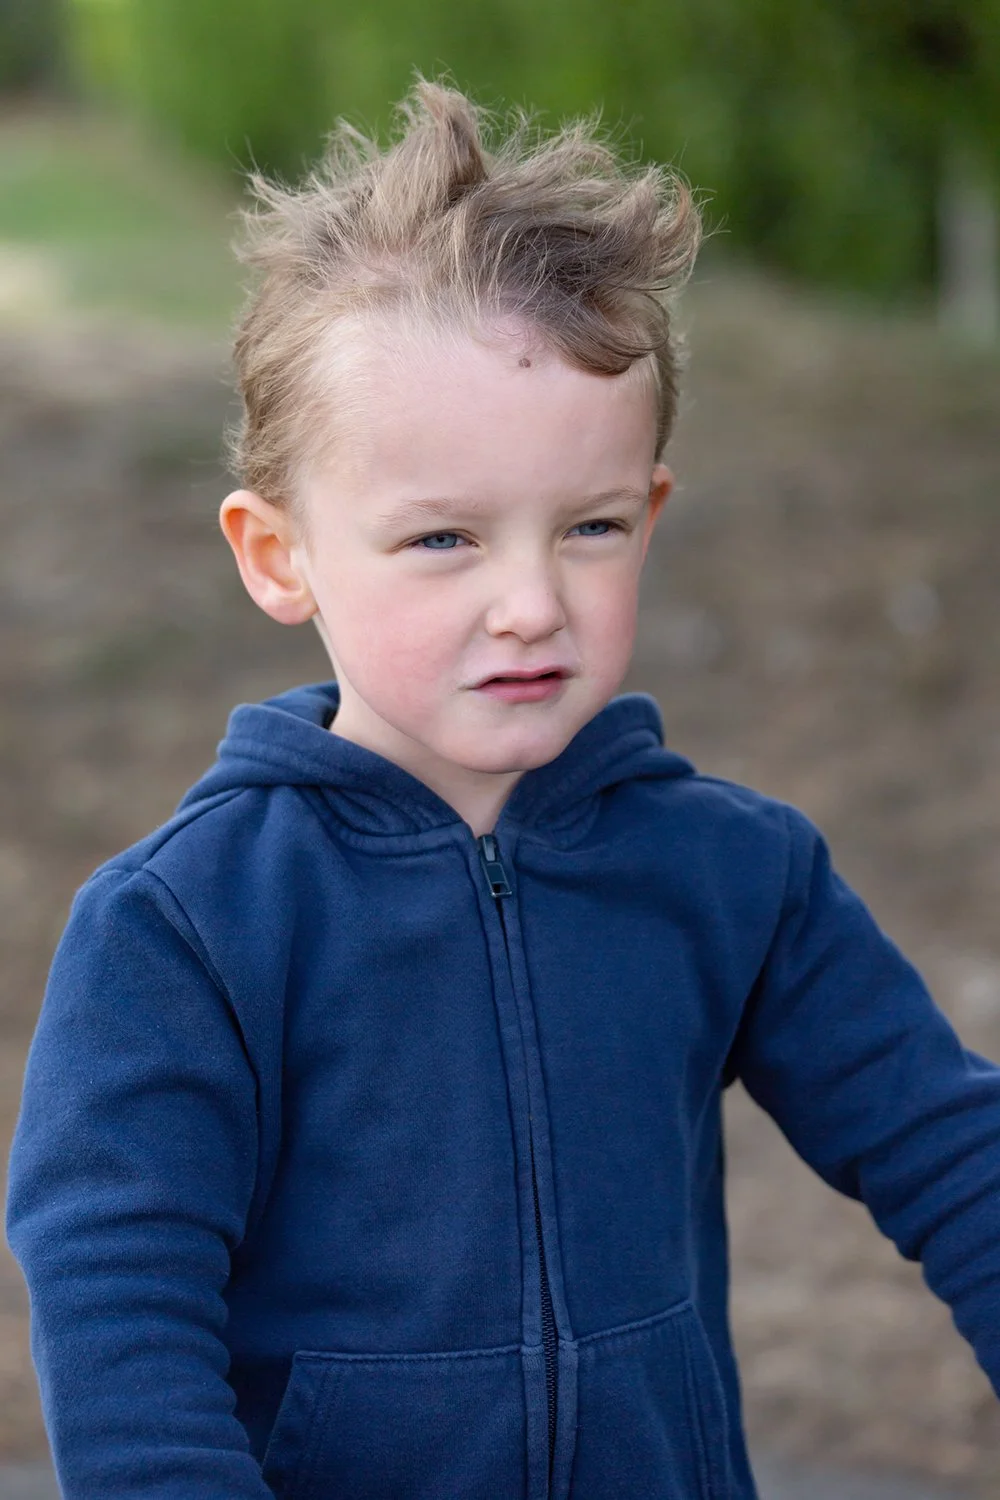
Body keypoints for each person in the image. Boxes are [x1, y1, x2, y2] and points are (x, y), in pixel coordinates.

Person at [6, 76, 1000, 1500]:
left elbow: (953, 1152)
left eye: (588, 527)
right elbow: (119, 1319)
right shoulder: (184, 929)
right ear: (278, 554)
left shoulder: (733, 876)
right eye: (444, 541)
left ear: (650, 513)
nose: (531, 601)